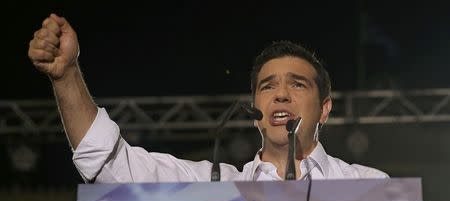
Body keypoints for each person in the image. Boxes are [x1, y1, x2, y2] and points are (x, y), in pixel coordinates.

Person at [28, 13, 388, 183]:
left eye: (297, 85)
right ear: (255, 112)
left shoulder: (368, 187)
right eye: (267, 87)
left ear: (324, 108)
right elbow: (108, 164)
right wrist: (66, 75)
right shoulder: (211, 188)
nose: (280, 94)